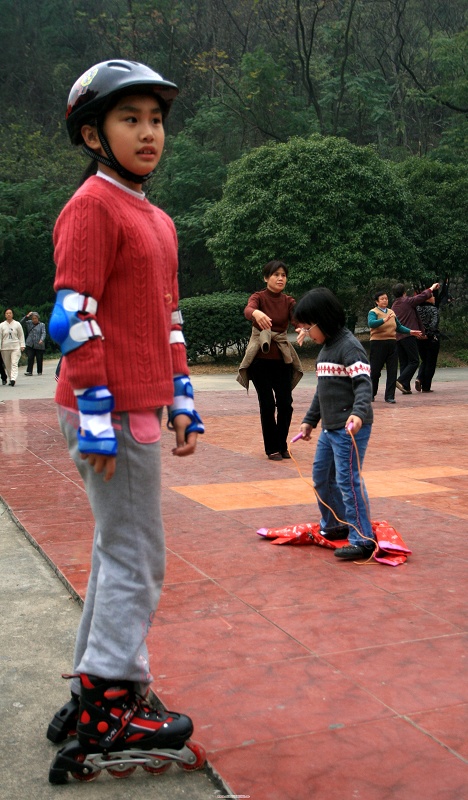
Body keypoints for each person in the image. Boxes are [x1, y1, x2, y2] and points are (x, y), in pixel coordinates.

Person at [46, 59, 206, 783]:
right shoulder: (93, 207)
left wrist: (183, 398)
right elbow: (71, 320)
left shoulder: (157, 217)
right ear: (92, 133)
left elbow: (165, 317)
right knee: (139, 558)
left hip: (141, 407)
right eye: (130, 119)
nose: (149, 133)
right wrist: (100, 421)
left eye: (156, 120)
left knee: (121, 551)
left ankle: (92, 692)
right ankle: (112, 703)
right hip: (108, 413)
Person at [294, 287, 376, 561]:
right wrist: (309, 420)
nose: (305, 332)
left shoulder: (349, 347)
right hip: (330, 429)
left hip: (349, 429)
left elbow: (364, 384)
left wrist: (359, 413)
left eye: (308, 326)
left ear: (323, 320)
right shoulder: (326, 349)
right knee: (321, 477)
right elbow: (322, 390)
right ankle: (336, 524)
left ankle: (362, 538)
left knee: (347, 480)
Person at [237, 260, 303, 461]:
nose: (280, 278)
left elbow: (297, 319)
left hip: (282, 359)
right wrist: (256, 312)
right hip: (260, 360)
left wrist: (302, 328)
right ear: (266, 278)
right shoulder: (258, 298)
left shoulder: (288, 301)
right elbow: (249, 310)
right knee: (267, 404)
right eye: (276, 275)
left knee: (285, 403)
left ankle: (282, 444)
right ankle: (271, 447)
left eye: (283, 275)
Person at [368, 290, 423, 404]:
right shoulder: (373, 312)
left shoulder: (391, 312)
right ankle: (371, 394)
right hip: (378, 343)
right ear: (376, 302)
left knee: (392, 370)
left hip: (392, 343)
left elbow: (399, 327)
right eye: (382, 299)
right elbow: (371, 323)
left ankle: (389, 396)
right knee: (375, 371)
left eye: (386, 298)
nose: (385, 300)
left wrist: (411, 332)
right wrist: (384, 319)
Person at [391, 282, 439, 394]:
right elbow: (422, 296)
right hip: (408, 335)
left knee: (404, 362)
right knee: (414, 361)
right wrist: (431, 287)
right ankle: (401, 380)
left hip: (398, 337)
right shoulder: (407, 301)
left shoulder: (394, 305)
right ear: (404, 292)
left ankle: (405, 387)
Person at [415, 292, 440, 392]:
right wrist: (428, 334)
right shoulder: (434, 309)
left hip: (419, 338)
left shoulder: (417, 309)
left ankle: (419, 378)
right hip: (431, 338)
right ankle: (426, 386)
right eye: (432, 296)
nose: (434, 298)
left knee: (424, 360)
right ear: (428, 299)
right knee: (431, 362)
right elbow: (434, 323)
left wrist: (420, 334)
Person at [0, 309, 25, 386]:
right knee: (8, 365)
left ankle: (13, 379)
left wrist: (22, 345)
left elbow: (21, 335)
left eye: (10, 313)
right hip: (5, 348)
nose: (8, 315)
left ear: (12, 314)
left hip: (15, 347)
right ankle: (11, 378)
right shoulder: (1, 325)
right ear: (5, 315)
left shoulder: (17, 324)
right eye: (7, 313)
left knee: (14, 363)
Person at [21, 311, 47, 375]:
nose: (34, 320)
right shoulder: (29, 323)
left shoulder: (42, 325)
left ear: (38, 318)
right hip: (30, 344)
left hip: (39, 344)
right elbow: (21, 323)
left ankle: (39, 371)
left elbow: (43, 333)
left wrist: (41, 339)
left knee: (39, 358)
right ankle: (29, 371)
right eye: (33, 318)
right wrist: (27, 316)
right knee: (30, 357)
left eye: (35, 318)